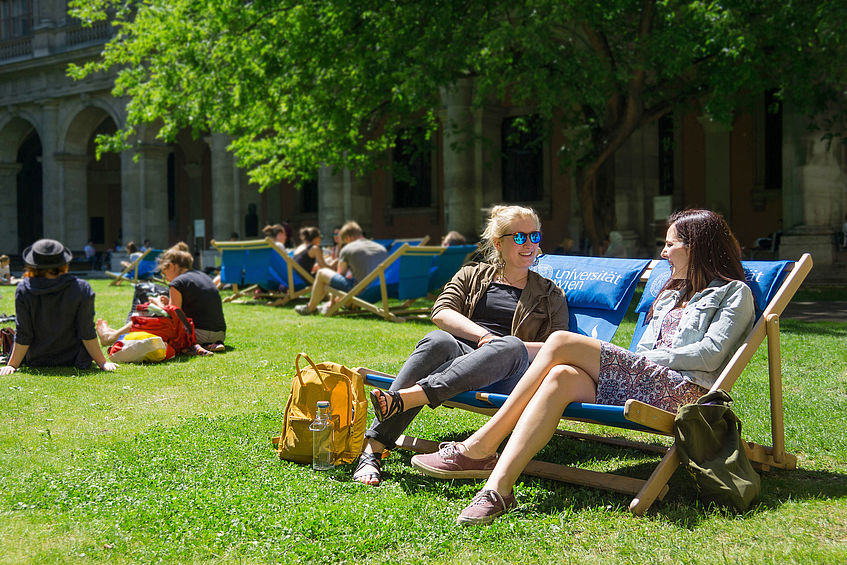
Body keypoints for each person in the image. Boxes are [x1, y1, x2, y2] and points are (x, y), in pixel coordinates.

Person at [411, 208, 755, 525]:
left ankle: (479, 447)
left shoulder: (733, 293)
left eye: (670, 244)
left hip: (685, 394)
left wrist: (640, 360)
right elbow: (647, 346)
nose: (663, 253)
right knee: (561, 376)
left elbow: (710, 354)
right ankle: (498, 491)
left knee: (561, 342)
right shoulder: (669, 294)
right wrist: (637, 359)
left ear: (695, 247)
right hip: (645, 382)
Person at [352, 205, 569, 486]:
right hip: (463, 362)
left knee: (511, 345)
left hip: (513, 376)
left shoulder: (550, 294)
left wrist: (501, 347)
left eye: (535, 236)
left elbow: (559, 346)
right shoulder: (472, 274)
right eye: (519, 237)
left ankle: (407, 397)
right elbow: (441, 311)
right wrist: (483, 338)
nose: (529, 244)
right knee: (437, 340)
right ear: (499, 243)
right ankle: (372, 452)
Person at [0, 239, 118, 375]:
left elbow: (24, 333)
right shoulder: (81, 288)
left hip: (37, 358)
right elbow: (86, 331)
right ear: (64, 263)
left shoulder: (24, 290)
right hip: (73, 357)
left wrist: (13, 365)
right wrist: (102, 362)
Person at [97, 244, 227, 353]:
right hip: (219, 334)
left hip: (200, 334)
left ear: (172, 266)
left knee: (150, 314)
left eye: (165, 273)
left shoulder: (177, 283)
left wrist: (157, 303)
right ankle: (117, 333)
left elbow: (170, 317)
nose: (166, 278)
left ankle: (110, 337)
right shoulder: (201, 275)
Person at [294, 221, 387, 315]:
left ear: (348, 238)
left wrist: (333, 302)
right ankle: (347, 304)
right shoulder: (380, 248)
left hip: (362, 292)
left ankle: (310, 308)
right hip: (383, 290)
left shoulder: (347, 249)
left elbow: (338, 276)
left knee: (322, 273)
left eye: (345, 242)